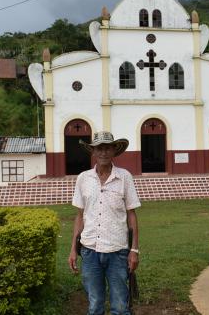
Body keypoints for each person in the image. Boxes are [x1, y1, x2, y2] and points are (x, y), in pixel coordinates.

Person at [68, 131, 141, 315]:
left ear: (114, 150)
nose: (103, 153)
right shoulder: (83, 178)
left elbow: (131, 215)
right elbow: (79, 216)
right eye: (99, 148)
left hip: (118, 251)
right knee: (94, 304)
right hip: (90, 251)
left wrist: (134, 250)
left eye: (107, 148)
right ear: (93, 151)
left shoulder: (124, 177)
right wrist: (73, 249)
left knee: (121, 306)